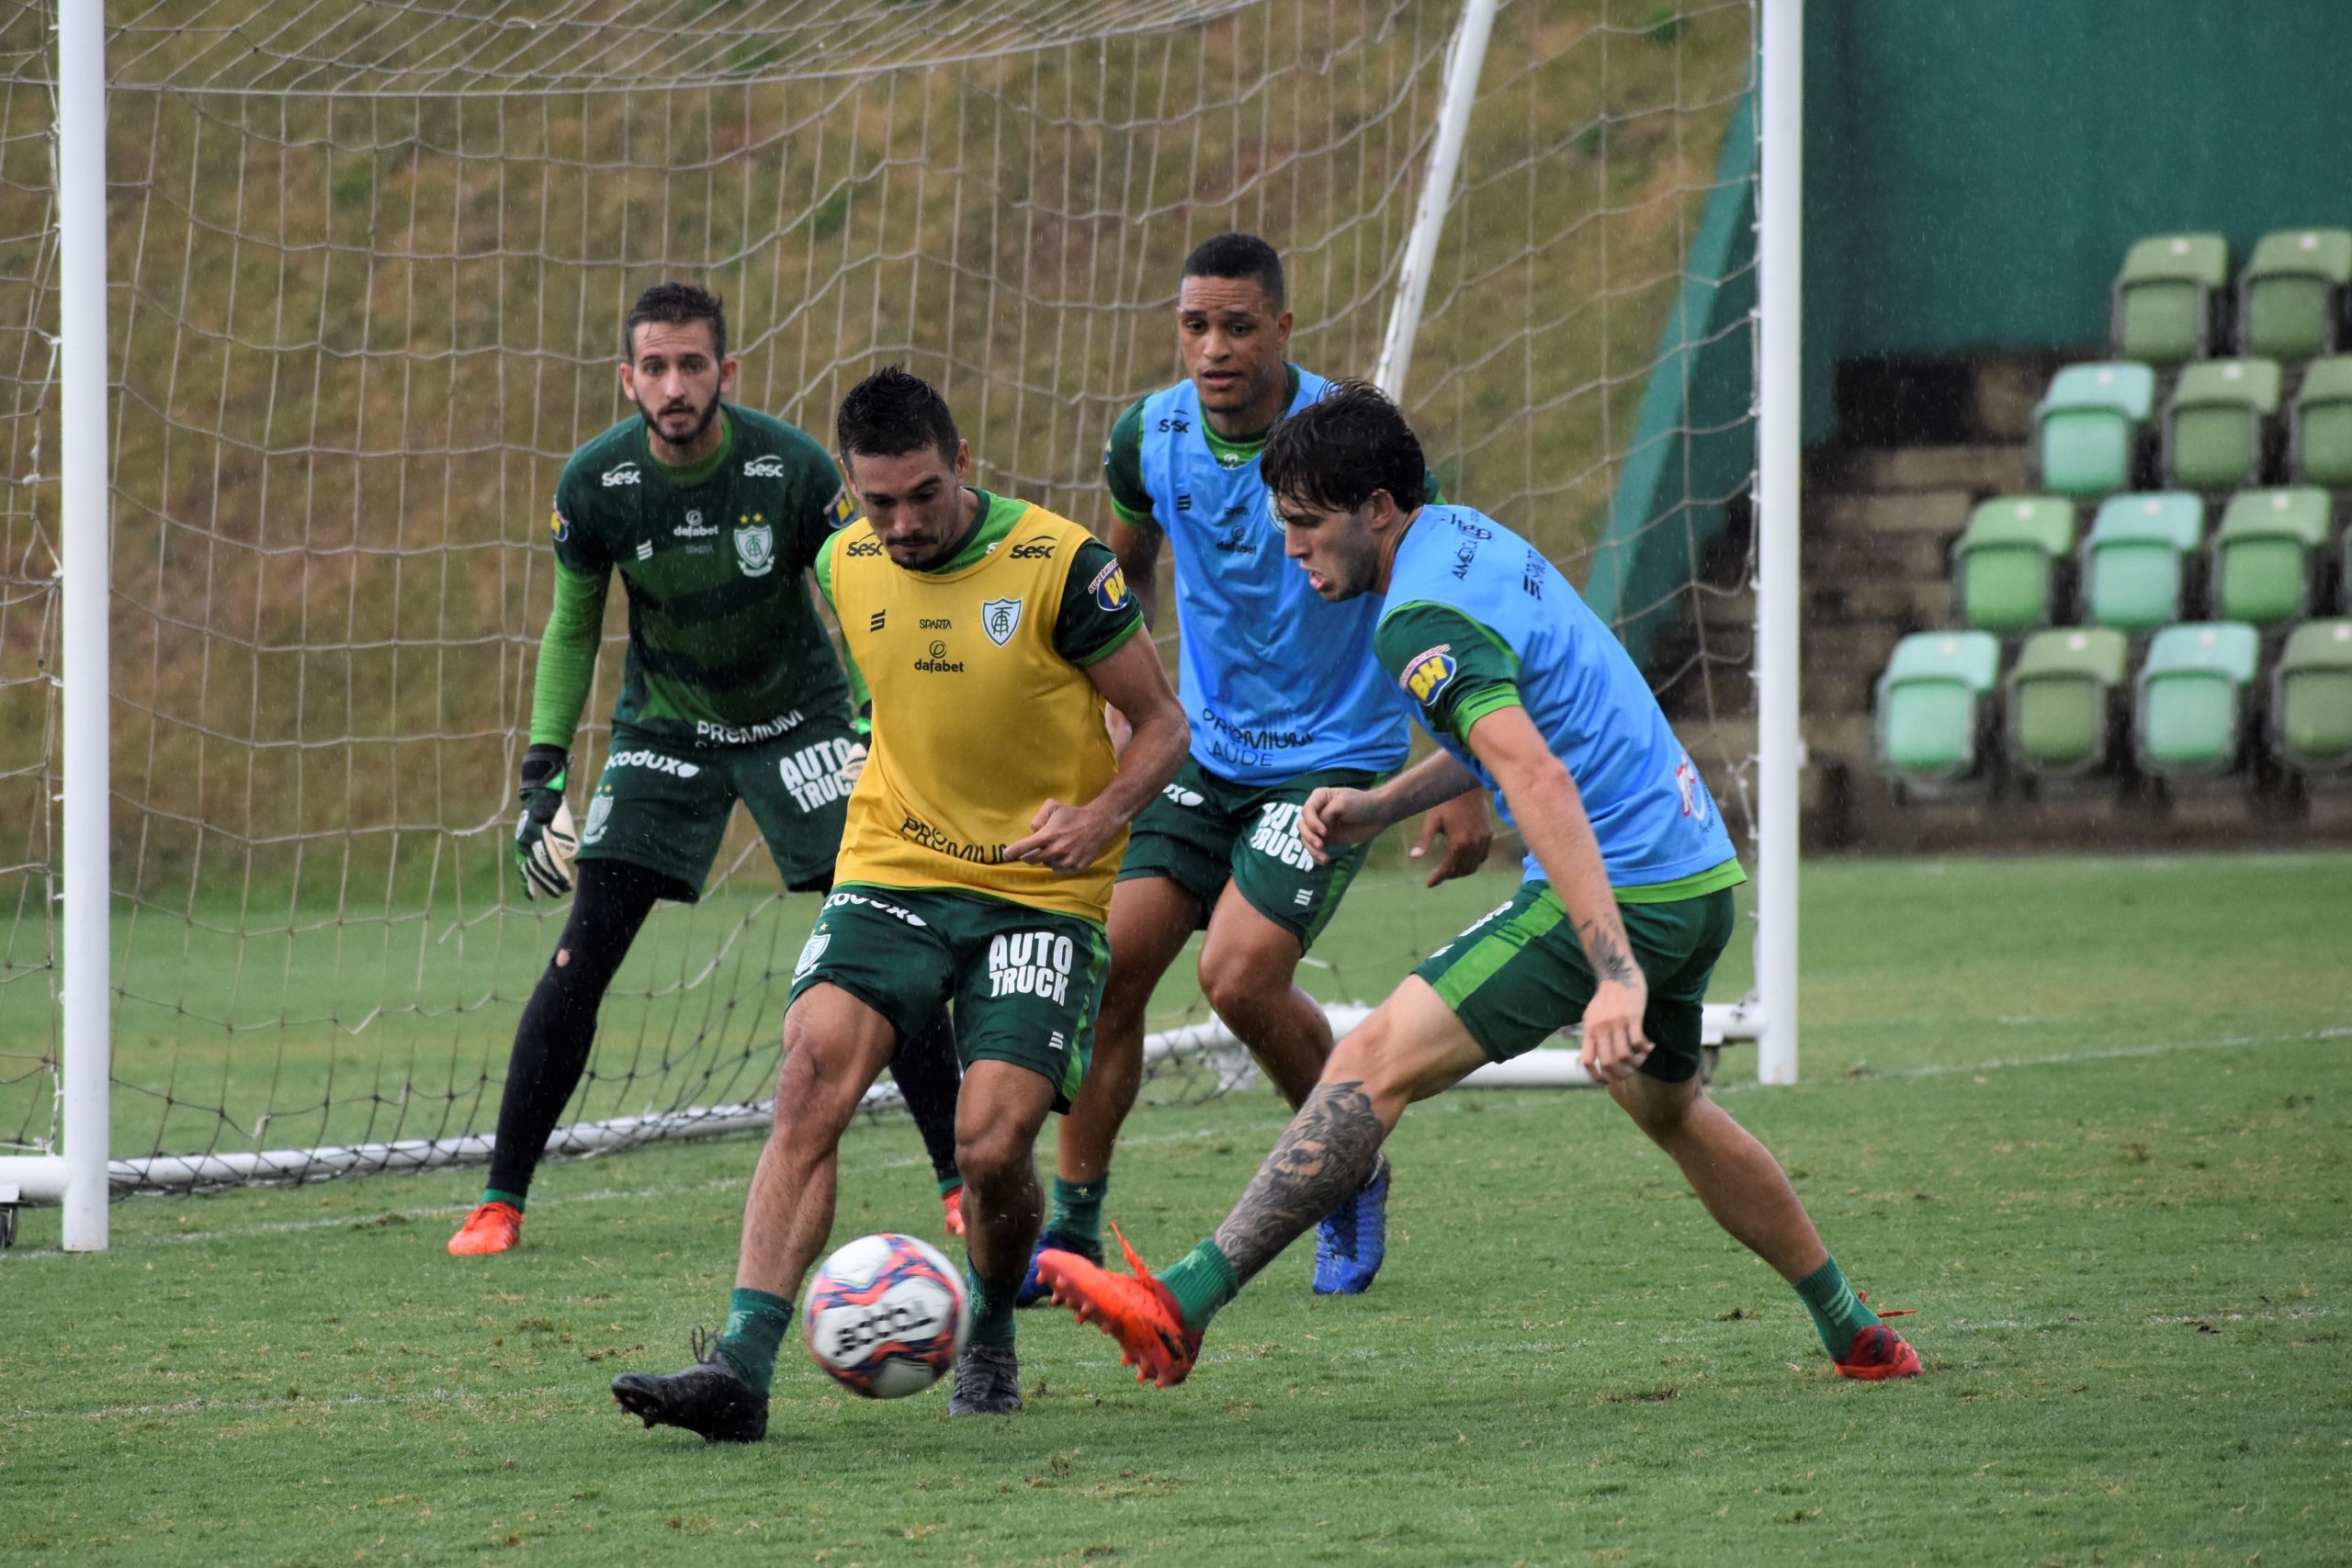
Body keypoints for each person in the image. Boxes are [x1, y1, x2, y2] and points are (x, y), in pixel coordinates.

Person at [1037, 380, 1923, 1388]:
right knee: (1672, 1113)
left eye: (1304, 526)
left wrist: (1614, 972)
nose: (1290, 551)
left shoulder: (1413, 621)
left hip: (1619, 890)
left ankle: (1179, 1306)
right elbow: (1516, 727)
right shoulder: (1464, 536)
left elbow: (1534, 775)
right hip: (1696, 873)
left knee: (1366, 1064)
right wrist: (1379, 807)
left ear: (1375, 509)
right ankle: (1852, 1326)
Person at [609, 366, 1188, 1439]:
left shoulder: (1063, 567)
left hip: (1036, 892)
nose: (902, 522)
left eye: (922, 495)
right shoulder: (842, 561)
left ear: (961, 465)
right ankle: (740, 1368)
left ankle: (995, 1338)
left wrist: (1103, 817)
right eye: (878, 502)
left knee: (988, 1144)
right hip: (894, 870)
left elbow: (1162, 725)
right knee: (808, 1077)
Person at [1017, 233, 1490, 1304]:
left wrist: (1461, 769)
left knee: (1234, 977)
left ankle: (1344, 1166)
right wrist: (1111, 711)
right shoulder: (1147, 436)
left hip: (1332, 761)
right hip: (1204, 751)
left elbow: (1446, 587)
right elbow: (1120, 574)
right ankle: (1074, 1232)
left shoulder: (1354, 440)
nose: (1214, 348)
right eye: (1195, 326)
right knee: (1108, 969)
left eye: (1238, 325)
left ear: (1282, 326)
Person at [448, 284, 965, 1258]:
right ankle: (499, 1200)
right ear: (627, 378)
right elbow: (572, 626)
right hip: (668, 728)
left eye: (693, 366)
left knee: (887, 936)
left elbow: (859, 589)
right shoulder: (594, 484)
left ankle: (954, 1183)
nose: (674, 385)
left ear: (726, 374)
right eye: (655, 367)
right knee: (582, 952)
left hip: (802, 723)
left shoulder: (790, 467)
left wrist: (872, 719)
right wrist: (543, 774)